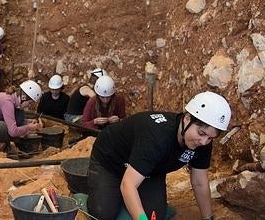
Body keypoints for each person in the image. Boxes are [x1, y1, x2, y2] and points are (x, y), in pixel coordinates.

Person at [86, 91, 232, 220]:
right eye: (201, 133)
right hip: (110, 162)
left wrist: (208, 218)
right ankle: (99, 190)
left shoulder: (202, 141)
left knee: (155, 215)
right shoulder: (157, 137)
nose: (204, 141)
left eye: (210, 138)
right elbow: (128, 184)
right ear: (187, 119)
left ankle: (125, 197)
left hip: (148, 170)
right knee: (103, 213)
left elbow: (200, 182)